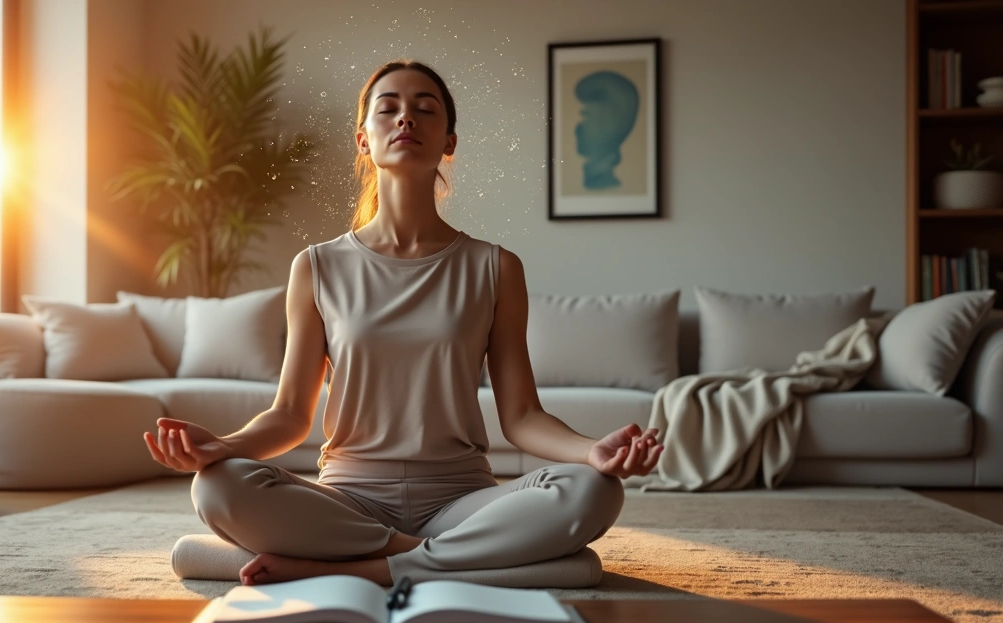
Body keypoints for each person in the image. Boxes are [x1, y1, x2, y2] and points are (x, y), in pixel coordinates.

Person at [144, 60, 663, 588]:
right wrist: (223, 448)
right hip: (349, 499)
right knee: (216, 487)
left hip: (463, 499)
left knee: (596, 489)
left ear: (449, 142)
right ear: (364, 141)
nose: (406, 119)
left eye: (425, 109)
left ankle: (364, 567)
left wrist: (593, 452)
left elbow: (523, 416)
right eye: (388, 109)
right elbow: (288, 417)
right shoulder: (317, 267)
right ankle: (433, 560)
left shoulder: (496, 267)